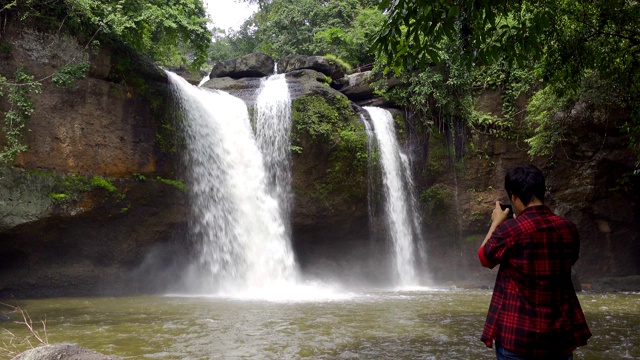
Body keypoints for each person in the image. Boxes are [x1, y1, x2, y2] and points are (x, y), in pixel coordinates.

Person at [478, 164, 591, 360]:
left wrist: (496, 222)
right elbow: (570, 261)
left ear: (513, 196)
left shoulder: (510, 230)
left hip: (518, 335)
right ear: (542, 191)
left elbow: (484, 258)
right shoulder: (569, 229)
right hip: (559, 336)